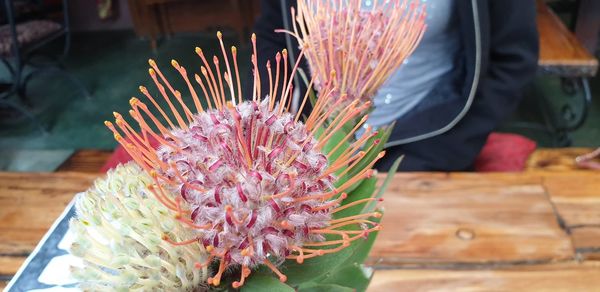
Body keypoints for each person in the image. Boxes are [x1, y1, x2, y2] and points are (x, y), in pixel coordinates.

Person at [251, 0, 539, 171]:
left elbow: (512, 60)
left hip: (425, 145)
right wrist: (279, 125)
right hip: (308, 148)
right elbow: (274, 34)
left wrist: (458, 139)